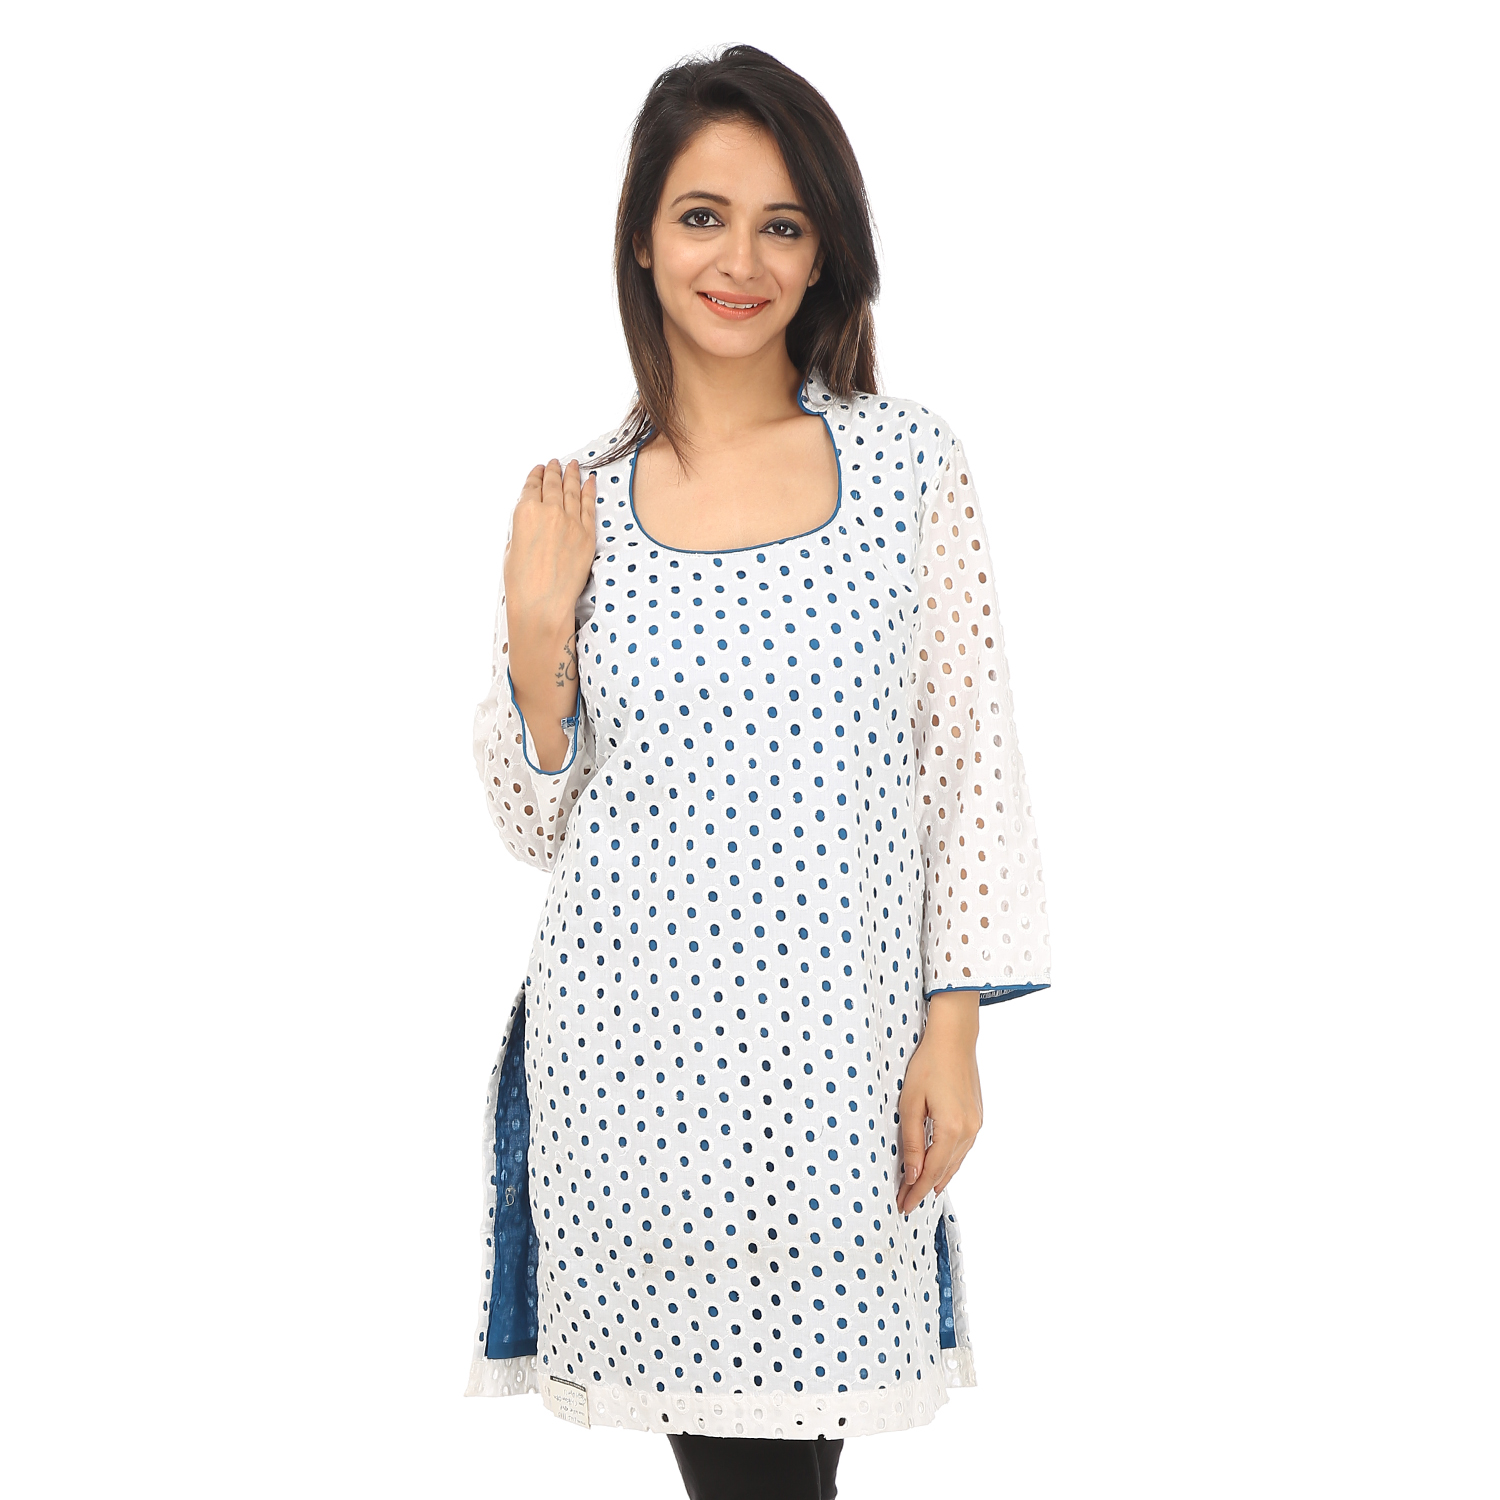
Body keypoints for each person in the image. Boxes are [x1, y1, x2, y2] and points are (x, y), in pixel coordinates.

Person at [466, 44, 1050, 1500]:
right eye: (702, 216)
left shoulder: (909, 465)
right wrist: (538, 633)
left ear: (825, 250)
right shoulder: (579, 503)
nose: (740, 261)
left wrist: (956, 1031)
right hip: (631, 1070)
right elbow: (535, 819)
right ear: (641, 239)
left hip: (837, 1075)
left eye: (782, 224)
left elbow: (969, 767)